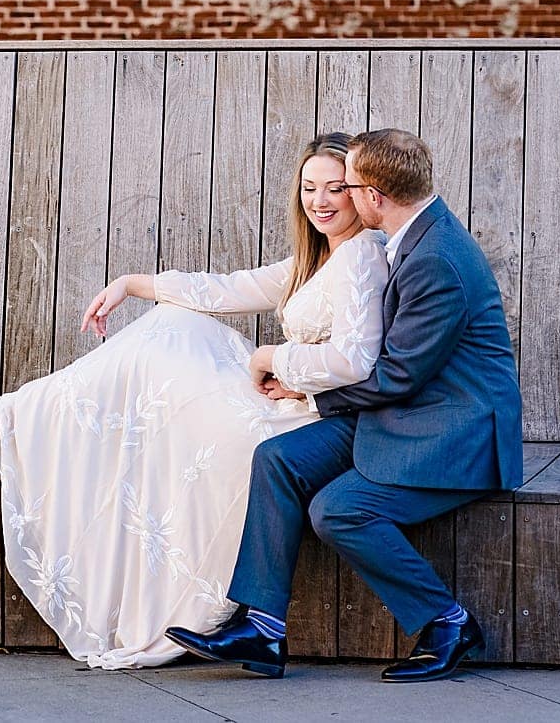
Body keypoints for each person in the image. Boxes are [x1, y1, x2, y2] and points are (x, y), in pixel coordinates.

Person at [0, 133, 388, 669]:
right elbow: (230, 288)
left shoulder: (361, 257)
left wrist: (276, 363)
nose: (321, 201)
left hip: (307, 411)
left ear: (361, 193)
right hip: (286, 391)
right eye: (310, 188)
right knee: (173, 323)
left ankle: (3, 419)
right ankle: (10, 417)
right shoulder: (318, 257)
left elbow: (359, 359)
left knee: (163, 361)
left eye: (336, 189)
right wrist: (134, 284)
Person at [164, 128, 524, 682]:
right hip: (400, 413)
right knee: (276, 458)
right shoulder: (412, 236)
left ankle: (447, 621)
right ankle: (262, 628)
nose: (336, 199)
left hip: (453, 432)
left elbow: (398, 376)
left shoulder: (436, 260)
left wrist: (303, 385)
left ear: (373, 196)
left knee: (338, 509)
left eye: (347, 186)